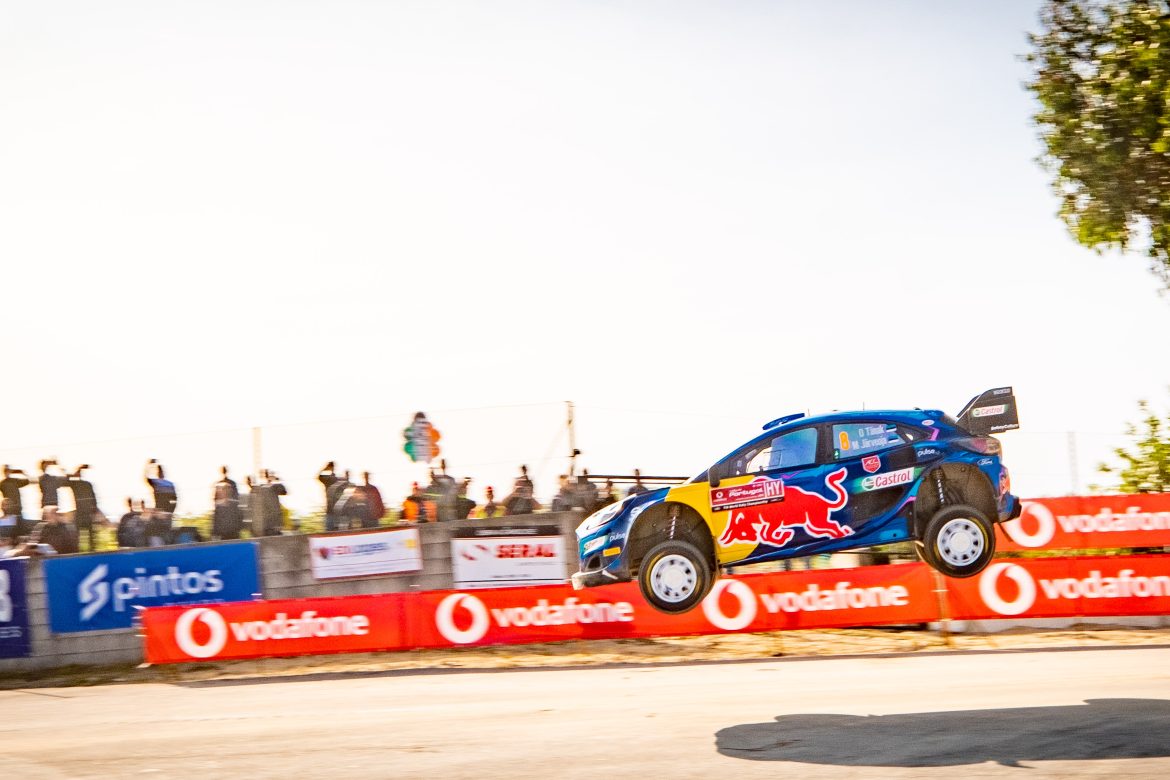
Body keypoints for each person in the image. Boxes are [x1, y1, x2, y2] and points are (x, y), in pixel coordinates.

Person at [67, 465, 103, 552]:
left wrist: (95, 511)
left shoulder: (87, 484)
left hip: (87, 515)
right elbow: (66, 480)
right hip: (80, 514)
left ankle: (91, 553)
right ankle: (79, 553)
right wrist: (78, 469)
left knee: (90, 538)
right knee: (79, 538)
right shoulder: (75, 484)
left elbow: (93, 499)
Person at [211, 466, 243, 540]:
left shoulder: (232, 483)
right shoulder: (218, 484)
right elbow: (215, 500)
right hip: (223, 526)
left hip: (232, 522)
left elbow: (236, 498)